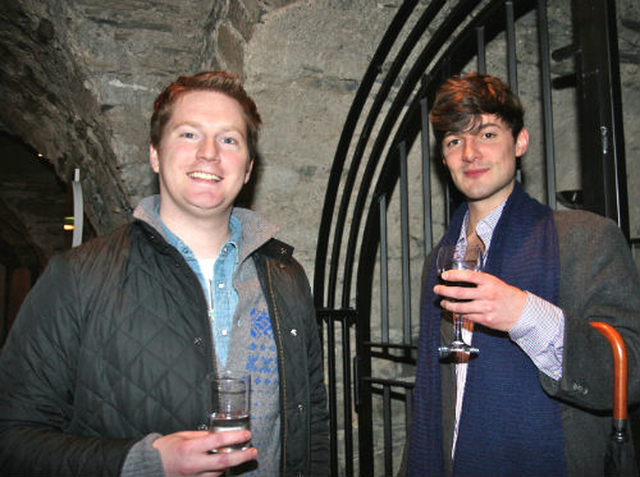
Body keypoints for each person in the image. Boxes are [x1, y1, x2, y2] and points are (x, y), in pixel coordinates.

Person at [0, 71, 329, 477]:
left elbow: (310, 420)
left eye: (229, 139)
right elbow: (13, 439)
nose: (209, 153)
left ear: (247, 169)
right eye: (189, 134)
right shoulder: (76, 278)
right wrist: (143, 463)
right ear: (155, 154)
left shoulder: (286, 277)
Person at [402, 72, 640, 477]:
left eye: (488, 134)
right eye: (455, 141)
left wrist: (526, 315)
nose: (471, 153)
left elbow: (629, 374)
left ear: (521, 142)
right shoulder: (441, 260)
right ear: (444, 159)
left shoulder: (587, 238)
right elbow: (439, 397)